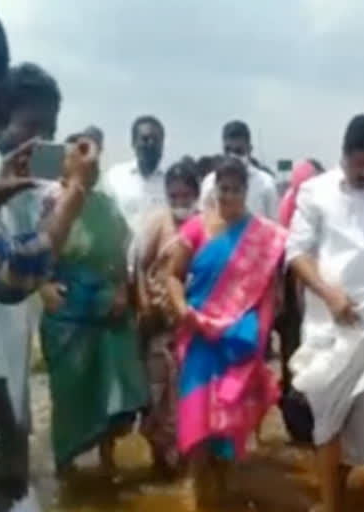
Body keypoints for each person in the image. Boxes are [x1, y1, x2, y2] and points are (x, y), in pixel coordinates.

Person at [0, 59, 98, 512]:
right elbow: (16, 276)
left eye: (49, 129)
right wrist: (76, 195)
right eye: (31, 125)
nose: (39, 141)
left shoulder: (18, 183)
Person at [286, 114, 364, 512]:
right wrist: (329, 295)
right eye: (359, 166)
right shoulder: (314, 191)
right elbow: (296, 253)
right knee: (326, 417)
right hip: (327, 326)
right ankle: (330, 503)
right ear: (345, 156)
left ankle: (341, 483)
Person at [165, 156, 285, 507]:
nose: (228, 195)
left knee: (230, 428)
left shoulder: (262, 237)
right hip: (201, 340)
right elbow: (173, 275)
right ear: (214, 189)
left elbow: (268, 293)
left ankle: (225, 495)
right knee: (197, 422)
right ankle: (198, 494)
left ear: (246, 192)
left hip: (237, 345)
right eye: (223, 188)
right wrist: (182, 311)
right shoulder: (197, 228)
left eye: (235, 189)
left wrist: (258, 338)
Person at [38, 129, 149, 479]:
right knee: (70, 393)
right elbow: (33, 251)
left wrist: (121, 290)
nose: (91, 162)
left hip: (107, 309)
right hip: (67, 314)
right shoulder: (49, 201)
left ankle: (108, 459)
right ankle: (65, 464)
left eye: (94, 156)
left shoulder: (106, 205)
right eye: (80, 154)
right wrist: (43, 287)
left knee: (113, 387)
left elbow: (121, 255)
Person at [137, 156, 201, 477]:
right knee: (157, 392)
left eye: (185, 196)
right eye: (173, 196)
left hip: (191, 326)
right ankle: (158, 459)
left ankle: (187, 460)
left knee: (186, 396)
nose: (180, 202)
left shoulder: (205, 225)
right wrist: (146, 301)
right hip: (160, 324)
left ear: (196, 194)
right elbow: (140, 265)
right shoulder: (159, 223)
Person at [102, 115, 167, 271]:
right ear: (133, 142)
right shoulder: (114, 177)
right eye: (144, 139)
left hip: (155, 274)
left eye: (155, 139)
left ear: (162, 144)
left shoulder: (170, 184)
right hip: (117, 270)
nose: (150, 144)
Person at [199, 121, 278, 219]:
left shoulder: (266, 183)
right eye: (228, 150)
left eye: (238, 151)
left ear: (249, 150)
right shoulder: (210, 182)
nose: (233, 156)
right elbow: (203, 222)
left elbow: (274, 225)